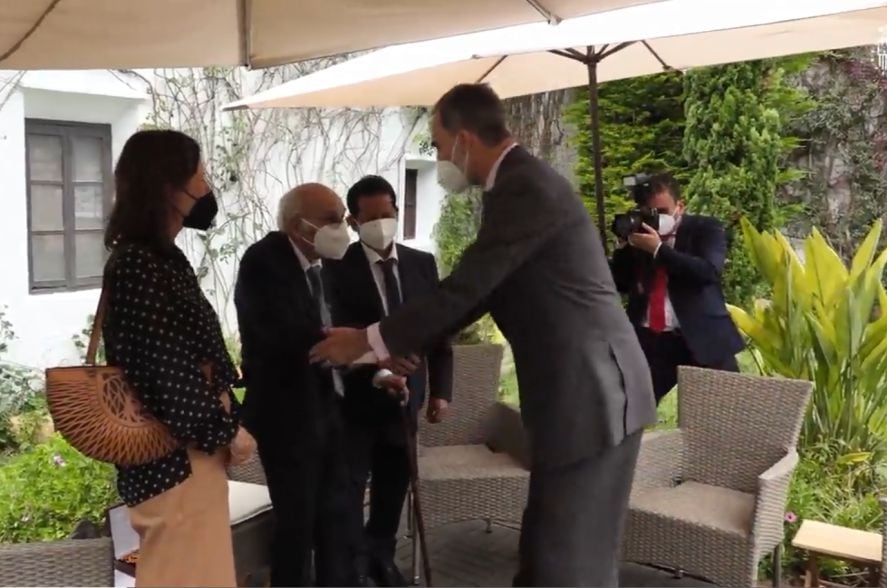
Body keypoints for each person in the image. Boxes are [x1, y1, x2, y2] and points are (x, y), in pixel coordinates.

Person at [309, 83, 657, 587]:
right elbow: (476, 295)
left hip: (592, 393)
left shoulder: (524, 188)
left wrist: (367, 341)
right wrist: (395, 345)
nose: (438, 157)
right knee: (549, 554)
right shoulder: (516, 186)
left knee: (567, 563)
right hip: (583, 394)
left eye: (436, 143)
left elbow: (468, 290)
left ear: (464, 139)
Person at [101, 129, 256, 588]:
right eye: (200, 176)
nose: (207, 190)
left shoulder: (161, 259)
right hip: (174, 462)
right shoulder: (138, 265)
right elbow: (167, 372)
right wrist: (228, 431)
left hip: (190, 457)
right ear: (169, 186)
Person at [326, 175, 454, 587]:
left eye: (389, 213)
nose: (383, 222)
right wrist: (379, 368)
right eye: (372, 217)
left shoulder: (421, 263)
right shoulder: (334, 269)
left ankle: (382, 556)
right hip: (357, 405)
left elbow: (438, 331)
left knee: (393, 489)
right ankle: (353, 567)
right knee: (349, 491)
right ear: (353, 220)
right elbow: (336, 340)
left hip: (406, 404)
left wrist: (441, 393)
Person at [234, 183, 360, 587]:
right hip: (287, 420)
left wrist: (373, 364)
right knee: (297, 525)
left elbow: (339, 330)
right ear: (297, 224)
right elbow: (290, 335)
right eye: (332, 219)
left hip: (328, 412)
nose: (342, 228)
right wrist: (366, 348)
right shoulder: (264, 261)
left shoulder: (324, 265)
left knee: (336, 520)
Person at [610, 172, 744, 404]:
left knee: (723, 413)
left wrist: (659, 250)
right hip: (651, 339)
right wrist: (623, 248)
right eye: (649, 213)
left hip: (701, 336)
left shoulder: (705, 228)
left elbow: (707, 272)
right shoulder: (639, 236)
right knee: (624, 408)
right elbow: (619, 283)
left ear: (679, 206)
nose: (656, 218)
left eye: (662, 212)